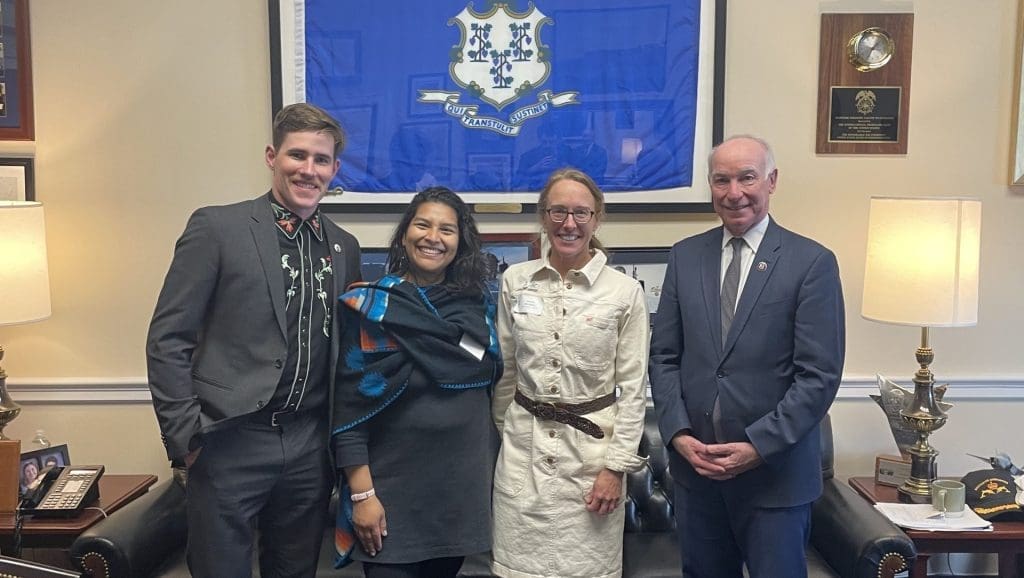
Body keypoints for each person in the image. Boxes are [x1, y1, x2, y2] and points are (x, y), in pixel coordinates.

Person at [146, 103, 362, 578]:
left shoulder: (344, 246)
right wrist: (185, 437)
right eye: (297, 155)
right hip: (229, 442)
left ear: (334, 168)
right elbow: (168, 337)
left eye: (321, 160)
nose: (309, 170)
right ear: (272, 156)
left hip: (309, 446)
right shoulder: (218, 228)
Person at [649, 135, 845, 578]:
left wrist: (758, 445)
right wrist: (678, 434)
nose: (734, 192)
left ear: (771, 181)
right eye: (721, 180)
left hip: (775, 476)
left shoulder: (811, 262)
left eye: (746, 178)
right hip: (697, 475)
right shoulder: (684, 256)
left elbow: (818, 376)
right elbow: (663, 357)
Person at [333, 187, 502, 578]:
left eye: (447, 229)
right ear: (405, 232)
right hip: (389, 499)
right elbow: (349, 412)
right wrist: (363, 495)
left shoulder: (475, 309)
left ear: (460, 243)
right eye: (422, 224)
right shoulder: (370, 307)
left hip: (457, 499)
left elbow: (486, 369)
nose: (433, 237)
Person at [491, 168, 650, 578]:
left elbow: (632, 389)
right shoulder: (515, 281)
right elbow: (506, 371)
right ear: (543, 217)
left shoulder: (623, 291)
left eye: (581, 213)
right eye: (558, 211)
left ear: (597, 219)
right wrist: (509, 433)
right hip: (522, 458)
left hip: (591, 465)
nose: (569, 223)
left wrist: (615, 469)